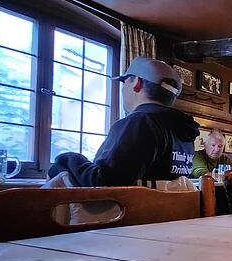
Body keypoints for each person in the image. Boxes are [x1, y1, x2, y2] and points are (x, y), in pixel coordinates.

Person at [48, 56, 199, 186]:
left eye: (124, 82)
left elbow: (106, 183)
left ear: (137, 83)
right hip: (166, 217)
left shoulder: (141, 122)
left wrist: (67, 159)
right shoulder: (185, 131)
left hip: (131, 217)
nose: (122, 89)